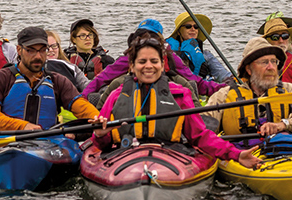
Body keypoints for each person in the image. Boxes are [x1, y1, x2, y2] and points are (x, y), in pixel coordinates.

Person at [91, 36, 261, 170]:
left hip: (170, 155)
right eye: (142, 62)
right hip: (125, 156)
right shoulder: (116, 96)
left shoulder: (180, 94)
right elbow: (102, 144)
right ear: (132, 66)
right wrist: (100, 134)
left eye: (154, 61)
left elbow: (200, 136)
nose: (148, 66)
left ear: (162, 63)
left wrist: (236, 155)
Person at [0, 26, 100, 131]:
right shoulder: (0, 78)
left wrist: (98, 119)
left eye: (42, 50)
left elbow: (82, 108)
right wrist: (22, 126)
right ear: (19, 50)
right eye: (31, 50)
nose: (38, 56)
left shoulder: (58, 81)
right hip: (6, 143)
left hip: (45, 144)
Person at [83, 20, 223, 106]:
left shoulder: (171, 57)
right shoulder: (129, 57)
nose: (146, 39)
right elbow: (104, 77)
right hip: (134, 88)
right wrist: (82, 97)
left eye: (151, 36)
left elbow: (195, 80)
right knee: (114, 85)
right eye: (142, 35)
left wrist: (222, 89)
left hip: (165, 88)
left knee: (188, 85)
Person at [205, 37, 292, 139]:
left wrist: (284, 124)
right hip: (240, 156)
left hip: (285, 153)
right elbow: (201, 128)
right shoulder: (224, 96)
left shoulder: (291, 91)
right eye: (264, 62)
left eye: (274, 61)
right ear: (248, 69)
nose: (271, 67)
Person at [166, 12, 233, 82]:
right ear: (179, 32)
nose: (193, 29)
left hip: (201, 86)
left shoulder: (206, 55)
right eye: (188, 26)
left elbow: (223, 74)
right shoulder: (168, 52)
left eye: (196, 27)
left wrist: (232, 80)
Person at [260, 16, 292, 89]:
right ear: (266, 40)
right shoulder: (256, 62)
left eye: (285, 36)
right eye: (275, 37)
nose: (281, 40)